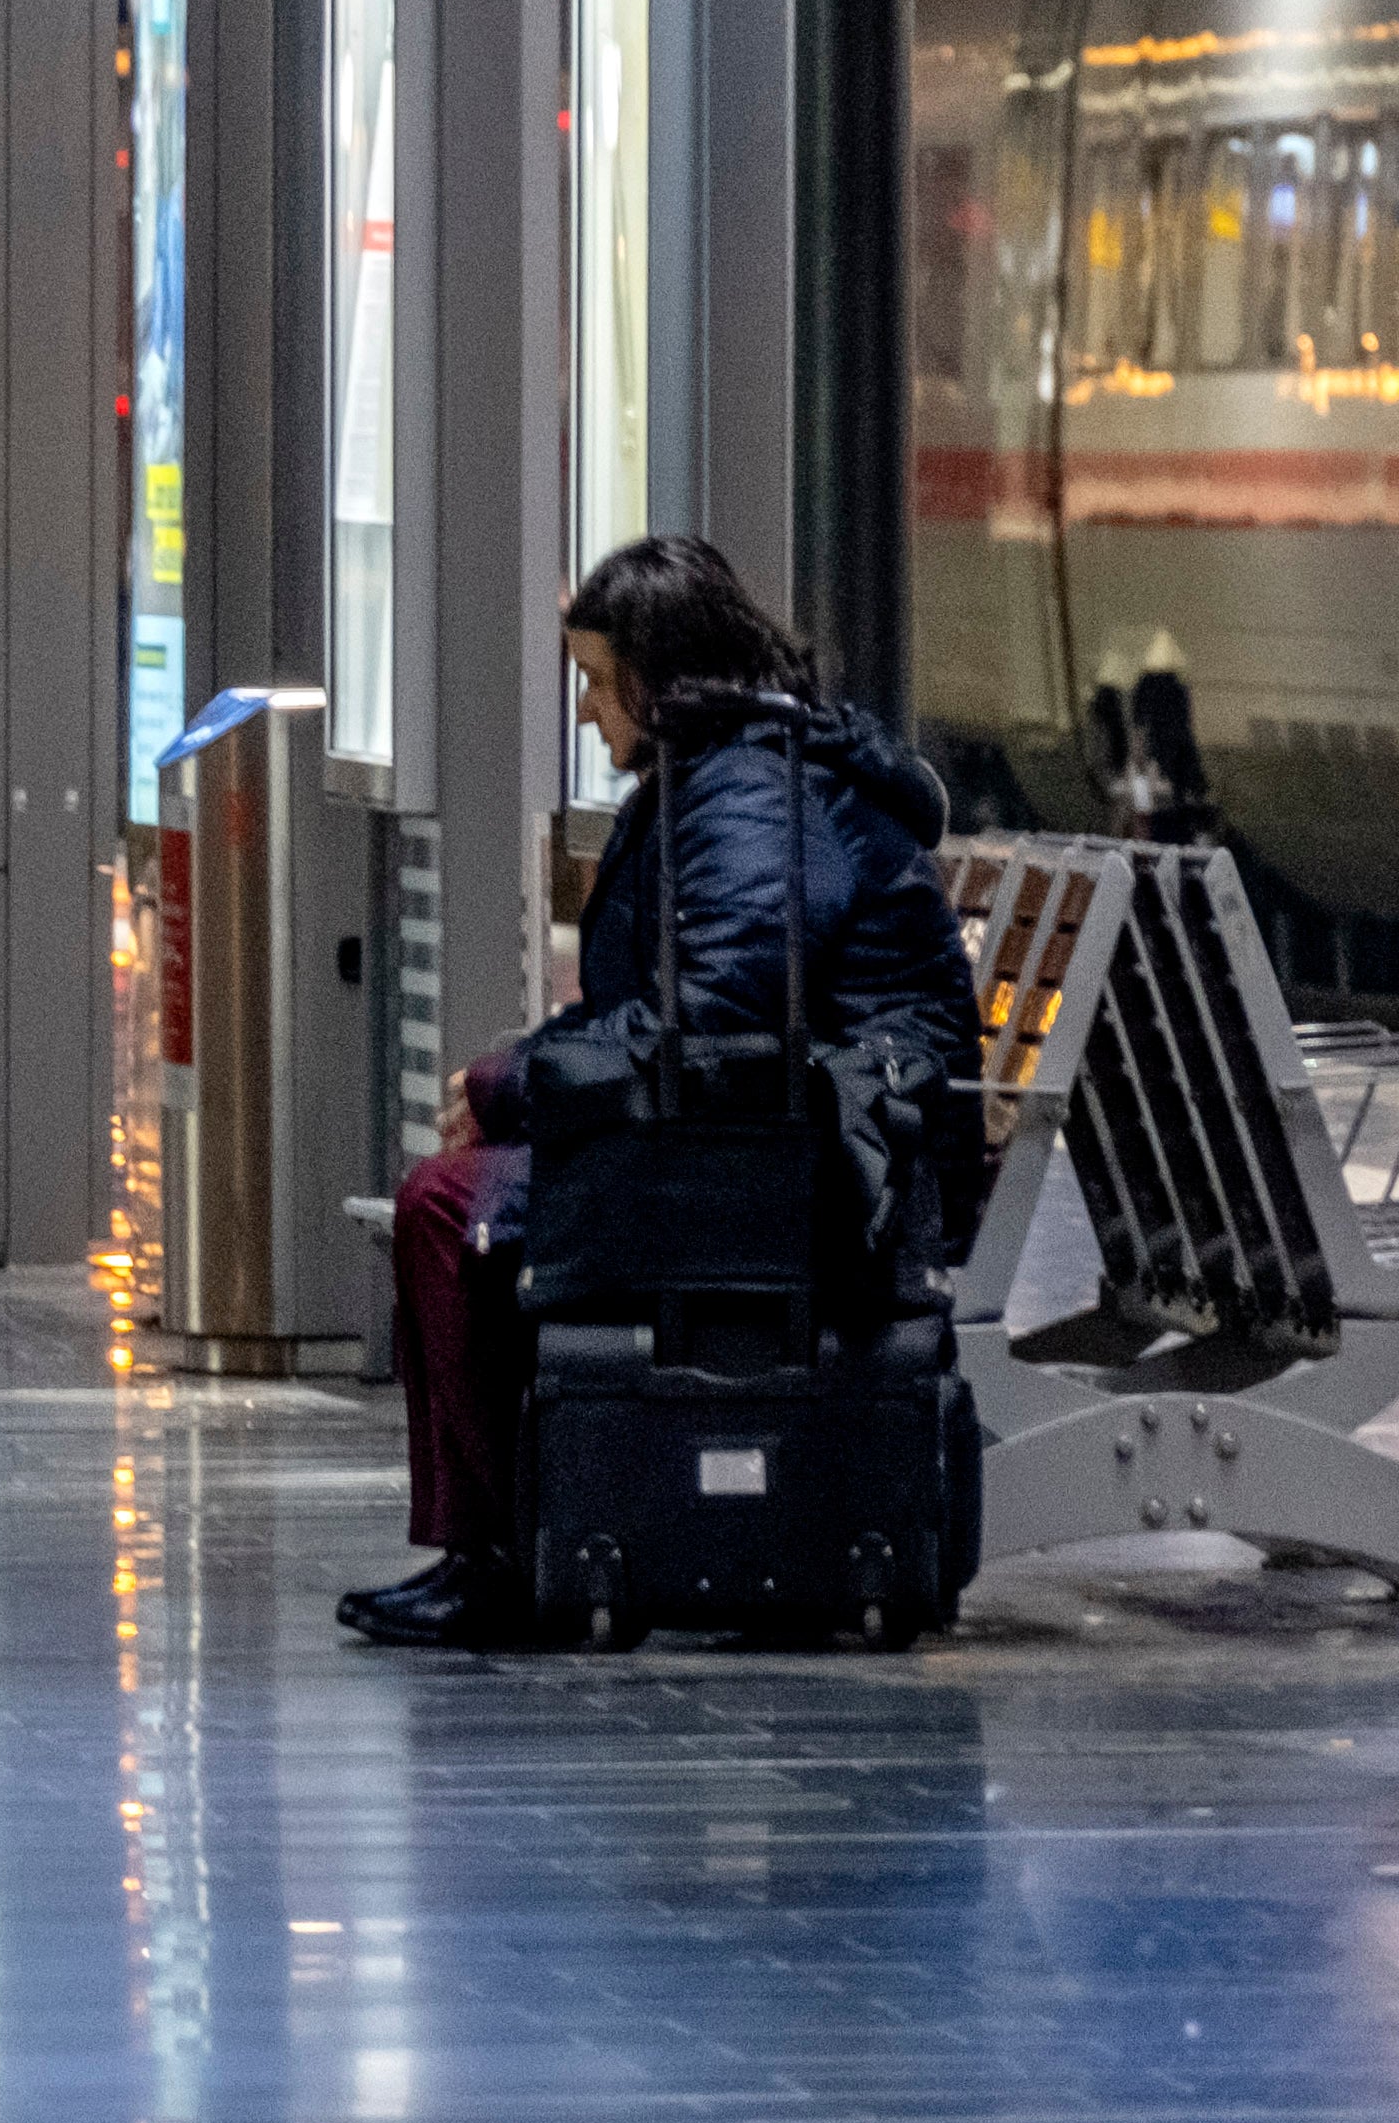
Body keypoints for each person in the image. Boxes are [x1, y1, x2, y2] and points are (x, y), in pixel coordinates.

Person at [341, 533, 982, 1653]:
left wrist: (515, 1085)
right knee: (456, 1195)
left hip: (807, 1182)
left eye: (597, 681)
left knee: (450, 1211)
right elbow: (687, 1016)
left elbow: (716, 1022)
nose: (587, 711)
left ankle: (503, 1557)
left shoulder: (748, 798)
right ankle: (499, 1545)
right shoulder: (735, 774)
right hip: (784, 1147)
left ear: (660, 674)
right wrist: (519, 1078)